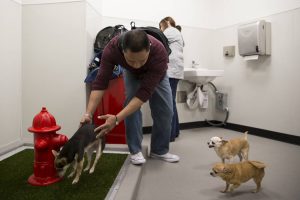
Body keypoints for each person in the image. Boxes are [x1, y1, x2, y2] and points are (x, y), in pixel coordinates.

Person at [80, 29, 180, 165]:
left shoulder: (159, 51)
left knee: (166, 111)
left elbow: (144, 93)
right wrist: (88, 113)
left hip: (157, 75)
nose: (138, 65)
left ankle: (159, 150)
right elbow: (100, 82)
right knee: (130, 105)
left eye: (142, 60)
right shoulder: (112, 49)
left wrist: (116, 119)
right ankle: (135, 150)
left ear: (149, 49)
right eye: (132, 60)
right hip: (132, 74)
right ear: (122, 50)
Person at [159, 17, 184, 142]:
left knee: (168, 102)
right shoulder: (177, 32)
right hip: (175, 71)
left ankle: (170, 134)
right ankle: (175, 131)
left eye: (160, 27)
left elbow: (157, 40)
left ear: (165, 24)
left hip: (171, 71)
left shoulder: (170, 30)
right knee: (171, 101)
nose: (161, 29)